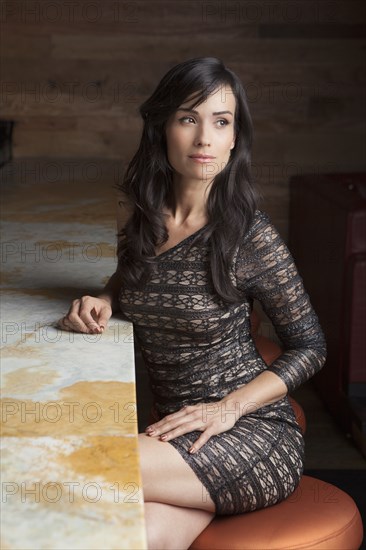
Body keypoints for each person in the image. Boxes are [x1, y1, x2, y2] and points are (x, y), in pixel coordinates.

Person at [59, 57, 327, 550]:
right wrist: (106, 295)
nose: (204, 138)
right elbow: (140, 274)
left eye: (220, 122)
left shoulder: (249, 236)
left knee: (80, 461)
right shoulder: (147, 217)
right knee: (134, 538)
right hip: (175, 437)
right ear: (162, 128)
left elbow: (310, 347)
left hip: (251, 435)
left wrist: (228, 408)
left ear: (233, 138)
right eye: (188, 118)